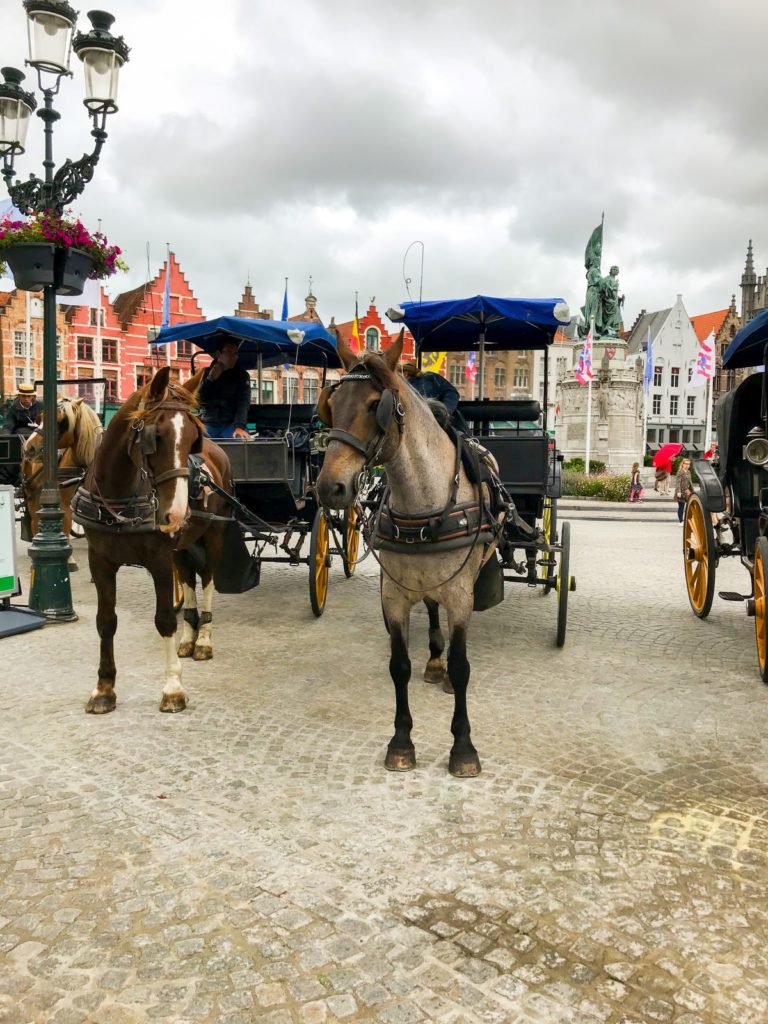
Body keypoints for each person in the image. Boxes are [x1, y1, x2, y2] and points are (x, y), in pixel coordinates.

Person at [197, 340, 251, 440]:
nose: (233, 357)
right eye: (229, 352)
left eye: (235, 353)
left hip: (231, 424)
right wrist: (210, 379)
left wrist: (239, 426)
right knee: (194, 443)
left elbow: (243, 403)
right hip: (208, 423)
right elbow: (197, 399)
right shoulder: (204, 373)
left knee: (241, 442)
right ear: (218, 354)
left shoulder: (241, 376)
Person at [674, 457, 694, 523]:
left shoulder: (688, 472)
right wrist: (678, 492)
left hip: (687, 492)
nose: (687, 465)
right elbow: (678, 482)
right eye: (686, 464)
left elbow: (690, 482)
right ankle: (681, 521)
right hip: (681, 492)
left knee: (690, 506)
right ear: (682, 464)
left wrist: (692, 491)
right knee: (681, 507)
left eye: (688, 464)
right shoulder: (680, 472)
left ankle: (688, 520)